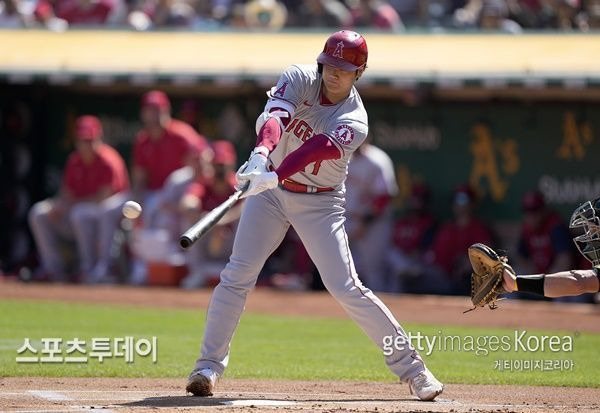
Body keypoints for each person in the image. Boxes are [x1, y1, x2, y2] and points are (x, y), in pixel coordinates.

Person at [185, 30, 444, 402]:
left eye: (344, 68)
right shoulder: (298, 76)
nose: (334, 74)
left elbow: (319, 148)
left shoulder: (355, 118)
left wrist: (274, 173)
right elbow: (276, 117)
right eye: (329, 65)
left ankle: (414, 370)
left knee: (345, 286)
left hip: (319, 202)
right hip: (269, 194)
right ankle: (207, 367)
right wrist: (260, 155)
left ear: (360, 73)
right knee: (236, 275)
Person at [28, 115, 129, 282]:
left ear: (99, 138)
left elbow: (103, 197)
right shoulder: (74, 160)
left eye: (90, 140)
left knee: (79, 213)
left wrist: (69, 205)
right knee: (39, 212)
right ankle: (53, 269)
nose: (86, 145)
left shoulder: (108, 160)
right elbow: (66, 194)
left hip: (107, 217)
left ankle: (89, 269)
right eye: (83, 140)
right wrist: (55, 205)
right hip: (79, 214)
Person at [498, 196, 600, 299]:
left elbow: (565, 263)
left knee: (573, 298)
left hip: (553, 275)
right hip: (544, 277)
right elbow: (578, 281)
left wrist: (516, 282)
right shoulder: (527, 229)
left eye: (596, 229)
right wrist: (515, 282)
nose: (592, 235)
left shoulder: (556, 227)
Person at [180, 140, 240, 289]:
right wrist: (205, 219)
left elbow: (245, 208)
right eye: (216, 165)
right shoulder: (203, 184)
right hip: (208, 241)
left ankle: (241, 275)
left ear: (231, 165)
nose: (220, 170)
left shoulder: (239, 185)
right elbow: (188, 202)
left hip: (231, 242)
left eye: (223, 165)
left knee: (246, 221)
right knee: (190, 222)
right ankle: (196, 272)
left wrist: (221, 222)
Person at [345, 140, 398, 292]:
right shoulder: (342, 155)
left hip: (374, 221)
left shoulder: (377, 160)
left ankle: (379, 309)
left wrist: (364, 223)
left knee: (374, 269)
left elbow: (384, 196)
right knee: (335, 265)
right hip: (345, 217)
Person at [424, 185, 493, 295]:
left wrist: (468, 263)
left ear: (472, 204)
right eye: (457, 201)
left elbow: (486, 256)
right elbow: (436, 257)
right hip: (446, 278)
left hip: (470, 280)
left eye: (464, 201)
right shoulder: (447, 229)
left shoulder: (478, 229)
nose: (461, 206)